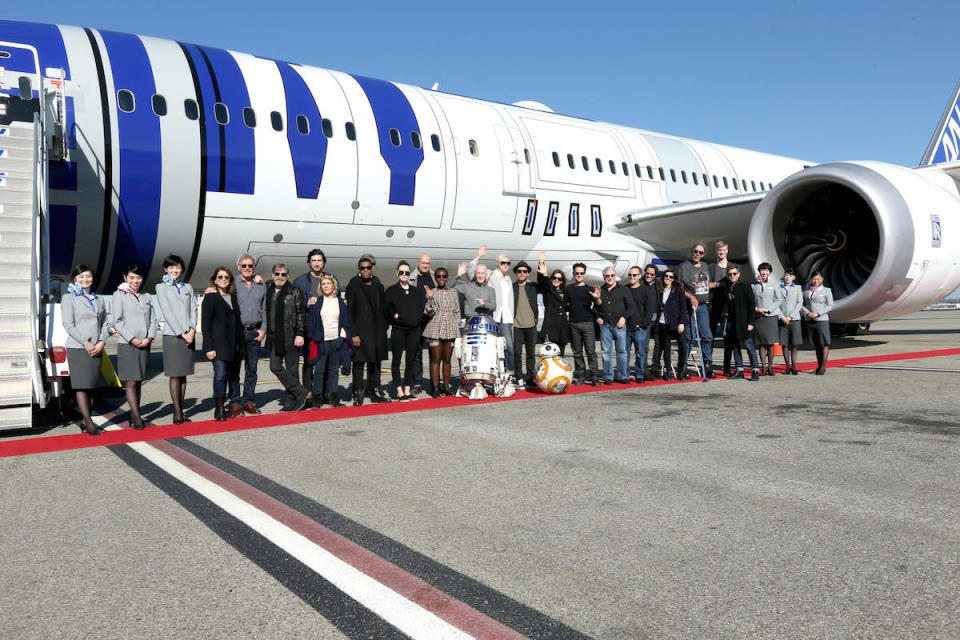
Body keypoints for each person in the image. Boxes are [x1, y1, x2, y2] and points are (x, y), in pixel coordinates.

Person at [62, 265, 110, 435]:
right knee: (82, 386)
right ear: (75, 279)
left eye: (88, 276)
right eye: (81, 276)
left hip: (97, 347)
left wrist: (102, 341)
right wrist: (86, 343)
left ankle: (86, 418)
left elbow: (105, 323)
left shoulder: (99, 299)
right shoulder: (69, 298)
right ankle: (88, 422)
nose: (85, 279)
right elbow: (69, 325)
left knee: (92, 387)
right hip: (78, 347)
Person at [111, 264, 156, 429]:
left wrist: (149, 337)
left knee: (138, 381)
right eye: (131, 277)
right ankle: (136, 417)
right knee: (131, 381)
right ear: (125, 278)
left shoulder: (147, 297)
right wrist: (132, 339)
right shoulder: (119, 295)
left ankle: (135, 414)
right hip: (128, 344)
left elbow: (154, 320)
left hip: (145, 344)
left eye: (138, 277)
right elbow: (117, 321)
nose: (135, 281)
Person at [155, 254, 197, 424]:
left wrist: (192, 330)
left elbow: (193, 309)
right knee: (175, 375)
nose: (175, 270)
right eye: (171, 267)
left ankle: (182, 410)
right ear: (166, 269)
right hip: (172, 335)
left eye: (178, 267)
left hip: (189, 334)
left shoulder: (187, 287)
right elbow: (167, 312)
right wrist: (182, 332)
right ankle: (177, 412)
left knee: (184, 374)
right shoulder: (161, 287)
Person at [293, 249, 338, 398]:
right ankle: (308, 391)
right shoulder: (300, 282)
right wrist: (306, 304)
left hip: (327, 327)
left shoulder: (332, 279)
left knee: (325, 360)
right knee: (309, 360)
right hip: (309, 327)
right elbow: (294, 306)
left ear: (323, 262)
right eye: (314, 260)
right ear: (309, 263)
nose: (316, 263)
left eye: (319, 260)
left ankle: (324, 392)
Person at [264, 263, 309, 412]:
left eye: (283, 274)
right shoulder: (268, 289)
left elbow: (301, 314)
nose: (280, 277)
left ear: (287, 276)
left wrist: (300, 334)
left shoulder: (294, 291)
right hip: (274, 336)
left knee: (292, 370)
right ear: (272, 275)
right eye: (277, 274)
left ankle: (290, 401)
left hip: (290, 335)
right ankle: (300, 391)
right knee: (275, 366)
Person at [346, 256, 390, 405]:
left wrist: (385, 326)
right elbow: (350, 311)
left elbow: (383, 307)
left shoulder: (378, 284)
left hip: (376, 330)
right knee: (359, 362)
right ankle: (358, 391)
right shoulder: (353, 284)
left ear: (372, 268)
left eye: (368, 268)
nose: (365, 270)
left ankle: (374, 389)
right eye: (362, 268)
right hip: (361, 329)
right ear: (359, 269)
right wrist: (354, 333)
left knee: (375, 362)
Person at [201, 267, 243, 422]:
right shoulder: (210, 297)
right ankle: (219, 408)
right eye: (220, 277)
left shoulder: (233, 297)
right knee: (220, 375)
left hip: (234, 344)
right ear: (215, 279)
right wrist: (208, 347)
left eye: (227, 277)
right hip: (218, 345)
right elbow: (205, 325)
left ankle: (233, 405)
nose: (224, 279)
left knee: (233, 376)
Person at [305, 275, 351, 407]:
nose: (326, 286)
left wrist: (341, 338)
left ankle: (333, 397)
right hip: (321, 341)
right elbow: (312, 323)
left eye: (328, 283)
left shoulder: (341, 302)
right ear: (321, 287)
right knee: (319, 370)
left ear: (333, 286)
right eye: (323, 284)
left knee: (333, 370)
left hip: (336, 340)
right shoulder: (317, 302)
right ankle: (317, 397)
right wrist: (317, 339)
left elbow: (346, 322)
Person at [386, 260, 426, 401]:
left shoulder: (415, 292)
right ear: (397, 273)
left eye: (407, 272)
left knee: (411, 361)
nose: (404, 275)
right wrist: (394, 316)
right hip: (398, 330)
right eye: (401, 272)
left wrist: (416, 320)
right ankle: (398, 390)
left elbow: (421, 309)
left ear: (410, 274)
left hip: (413, 331)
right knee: (396, 361)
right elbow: (387, 310)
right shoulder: (391, 291)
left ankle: (408, 389)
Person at [232, 253, 266, 415]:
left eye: (250, 266)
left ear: (254, 268)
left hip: (254, 332)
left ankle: (248, 402)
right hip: (237, 332)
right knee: (235, 369)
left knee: (251, 370)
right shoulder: (232, 284)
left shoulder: (261, 285)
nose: (247, 268)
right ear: (239, 267)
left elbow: (265, 309)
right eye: (244, 266)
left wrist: (263, 329)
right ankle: (235, 403)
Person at [677, 243, 716, 377]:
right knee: (689, 337)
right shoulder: (684, 266)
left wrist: (719, 284)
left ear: (703, 255)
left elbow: (706, 284)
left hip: (703, 305)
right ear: (691, 251)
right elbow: (680, 288)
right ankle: (683, 366)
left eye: (700, 253)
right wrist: (691, 297)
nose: (698, 254)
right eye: (696, 252)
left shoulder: (705, 266)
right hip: (690, 306)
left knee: (707, 335)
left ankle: (708, 365)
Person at [590, 266, 634, 384]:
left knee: (622, 351)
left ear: (616, 276)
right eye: (607, 276)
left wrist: (624, 318)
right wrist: (598, 317)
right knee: (606, 351)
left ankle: (622, 375)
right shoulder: (600, 290)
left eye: (612, 275)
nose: (610, 278)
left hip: (619, 324)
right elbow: (596, 307)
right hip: (605, 325)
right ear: (604, 277)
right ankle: (608, 376)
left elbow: (631, 307)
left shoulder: (624, 289)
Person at [422, 267, 459, 397]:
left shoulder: (453, 292)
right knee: (436, 359)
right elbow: (428, 312)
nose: (441, 279)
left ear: (447, 278)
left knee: (447, 359)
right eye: (438, 276)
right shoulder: (432, 292)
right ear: (436, 278)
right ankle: (436, 388)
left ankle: (446, 386)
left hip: (450, 327)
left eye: (444, 276)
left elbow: (457, 311)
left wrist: (456, 324)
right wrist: (431, 299)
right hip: (435, 327)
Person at [567, 262, 600, 386]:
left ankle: (594, 377)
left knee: (591, 352)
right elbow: (565, 305)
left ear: (585, 274)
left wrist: (597, 298)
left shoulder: (590, 289)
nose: (579, 275)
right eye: (577, 273)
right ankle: (580, 376)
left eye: (581, 273)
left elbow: (598, 305)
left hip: (588, 324)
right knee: (577, 353)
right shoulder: (569, 289)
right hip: (574, 324)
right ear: (573, 274)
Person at [724, 265, 760, 381]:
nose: (732, 276)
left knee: (749, 346)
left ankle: (755, 370)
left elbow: (751, 306)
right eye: (730, 274)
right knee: (735, 347)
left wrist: (751, 322)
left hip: (744, 322)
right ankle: (739, 370)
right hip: (732, 322)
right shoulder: (728, 287)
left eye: (734, 274)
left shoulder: (745, 286)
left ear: (739, 274)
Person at [626, 265, 657, 384]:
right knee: (625, 353)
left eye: (634, 275)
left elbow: (649, 310)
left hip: (639, 328)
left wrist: (643, 324)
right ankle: (625, 374)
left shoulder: (646, 290)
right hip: (626, 327)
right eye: (630, 275)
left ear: (639, 276)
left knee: (640, 353)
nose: (631, 277)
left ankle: (639, 374)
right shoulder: (625, 289)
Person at [751, 262, 783, 376]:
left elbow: (779, 300)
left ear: (770, 272)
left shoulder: (774, 284)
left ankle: (770, 367)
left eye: (767, 270)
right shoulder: (754, 285)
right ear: (759, 271)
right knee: (761, 343)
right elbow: (750, 301)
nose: (764, 272)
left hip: (770, 316)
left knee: (770, 343)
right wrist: (757, 309)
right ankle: (763, 367)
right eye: (762, 270)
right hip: (759, 316)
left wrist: (768, 309)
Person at [512, 260, 540, 389]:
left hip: (531, 325)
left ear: (528, 273)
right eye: (519, 271)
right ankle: (518, 377)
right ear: (516, 273)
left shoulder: (533, 286)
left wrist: (542, 267)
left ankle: (529, 378)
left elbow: (546, 286)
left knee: (530, 354)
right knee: (517, 353)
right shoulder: (512, 287)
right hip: (517, 325)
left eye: (524, 271)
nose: (522, 273)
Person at [656, 269, 689, 381]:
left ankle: (681, 370)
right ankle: (668, 371)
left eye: (671, 277)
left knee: (683, 347)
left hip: (676, 323)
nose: (668, 278)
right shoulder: (660, 290)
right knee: (667, 348)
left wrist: (682, 322)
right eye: (666, 276)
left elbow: (683, 307)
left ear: (674, 279)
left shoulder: (678, 290)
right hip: (663, 322)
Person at [410, 253, 435, 394]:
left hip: (431, 320)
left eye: (427, 263)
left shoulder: (433, 277)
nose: (425, 265)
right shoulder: (413, 277)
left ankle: (434, 383)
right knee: (416, 353)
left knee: (434, 354)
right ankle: (417, 383)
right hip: (417, 321)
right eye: (423, 263)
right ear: (418, 263)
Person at [536, 252, 569, 355]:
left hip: (562, 327)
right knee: (550, 355)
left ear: (562, 281)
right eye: (554, 278)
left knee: (561, 355)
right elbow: (543, 282)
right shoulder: (548, 290)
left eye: (559, 279)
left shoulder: (566, 292)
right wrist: (542, 264)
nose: (556, 280)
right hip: (551, 327)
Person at [802, 271, 834, 375]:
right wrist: (807, 313)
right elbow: (802, 304)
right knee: (816, 345)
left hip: (822, 320)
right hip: (810, 320)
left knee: (824, 343)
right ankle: (819, 365)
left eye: (818, 279)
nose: (816, 281)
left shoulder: (826, 290)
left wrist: (818, 313)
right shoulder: (806, 291)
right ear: (811, 279)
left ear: (822, 280)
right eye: (814, 279)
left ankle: (822, 367)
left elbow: (830, 305)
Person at [709, 241, 738, 337]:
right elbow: (707, 285)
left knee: (729, 331)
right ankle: (709, 351)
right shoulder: (711, 267)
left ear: (727, 251)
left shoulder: (734, 267)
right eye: (720, 250)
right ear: (716, 251)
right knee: (711, 329)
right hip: (715, 302)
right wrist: (719, 284)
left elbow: (737, 284)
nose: (722, 252)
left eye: (724, 250)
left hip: (729, 302)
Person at [778, 268, 803, 375]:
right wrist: (782, 317)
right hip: (782, 319)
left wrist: (790, 316)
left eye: (790, 275)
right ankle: (787, 367)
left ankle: (794, 366)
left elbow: (800, 303)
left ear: (794, 277)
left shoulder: (797, 288)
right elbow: (776, 304)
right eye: (786, 275)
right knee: (784, 345)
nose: (788, 277)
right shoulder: (778, 288)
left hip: (794, 319)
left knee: (794, 344)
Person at [641, 264, 663, 380]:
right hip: (646, 319)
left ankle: (655, 368)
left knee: (658, 344)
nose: (648, 276)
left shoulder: (658, 284)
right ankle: (644, 370)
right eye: (647, 273)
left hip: (658, 317)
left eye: (651, 274)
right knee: (645, 346)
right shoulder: (640, 284)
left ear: (655, 276)